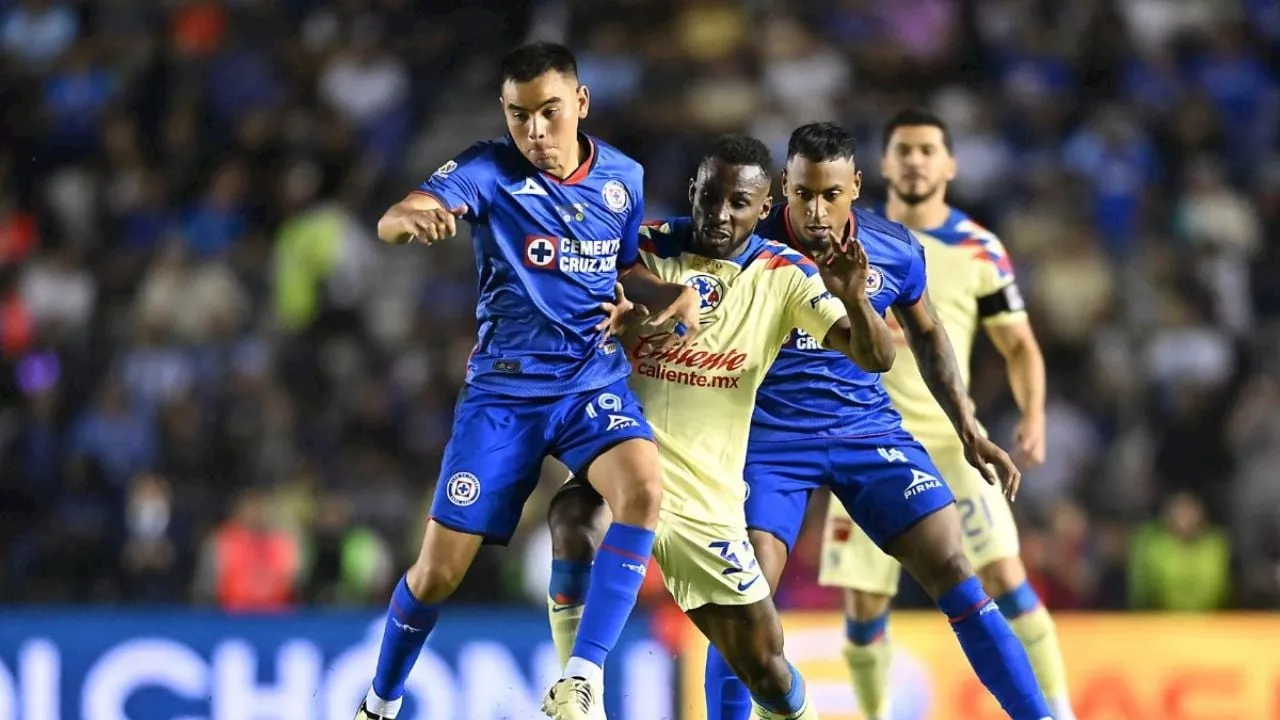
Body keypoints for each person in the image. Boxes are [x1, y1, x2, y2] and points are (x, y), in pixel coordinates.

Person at [546, 123, 1054, 720]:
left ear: (855, 188)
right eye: (803, 194)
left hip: (865, 428)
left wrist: (970, 429)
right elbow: (638, 256)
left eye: (831, 196)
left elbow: (925, 337)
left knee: (955, 569)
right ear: (781, 189)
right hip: (766, 442)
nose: (815, 211)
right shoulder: (741, 231)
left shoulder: (892, 249)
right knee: (746, 604)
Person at [354, 42, 699, 720]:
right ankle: (378, 703)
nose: (535, 132)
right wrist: (409, 222)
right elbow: (394, 217)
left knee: (643, 489)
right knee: (438, 572)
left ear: (581, 103)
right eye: (519, 116)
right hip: (503, 395)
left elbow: (625, 267)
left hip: (587, 382)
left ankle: (582, 679)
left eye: (548, 113)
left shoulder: (622, 178)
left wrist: (664, 296)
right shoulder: (488, 168)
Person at [550, 133, 896, 720]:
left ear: (765, 210)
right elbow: (569, 293)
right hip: (625, 464)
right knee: (573, 516)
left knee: (765, 665)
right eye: (709, 198)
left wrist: (857, 300)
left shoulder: (785, 273)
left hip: (709, 503)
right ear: (694, 191)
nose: (719, 215)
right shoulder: (646, 250)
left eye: (738, 204)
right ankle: (579, 690)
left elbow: (875, 357)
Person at [817, 109, 1074, 720]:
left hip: (958, 446)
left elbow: (1019, 345)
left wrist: (1032, 415)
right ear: (880, 165)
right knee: (862, 607)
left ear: (950, 164)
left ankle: (1057, 712)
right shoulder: (846, 242)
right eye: (902, 149)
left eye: (927, 149)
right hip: (867, 439)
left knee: (1008, 580)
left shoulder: (978, 249)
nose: (914, 160)